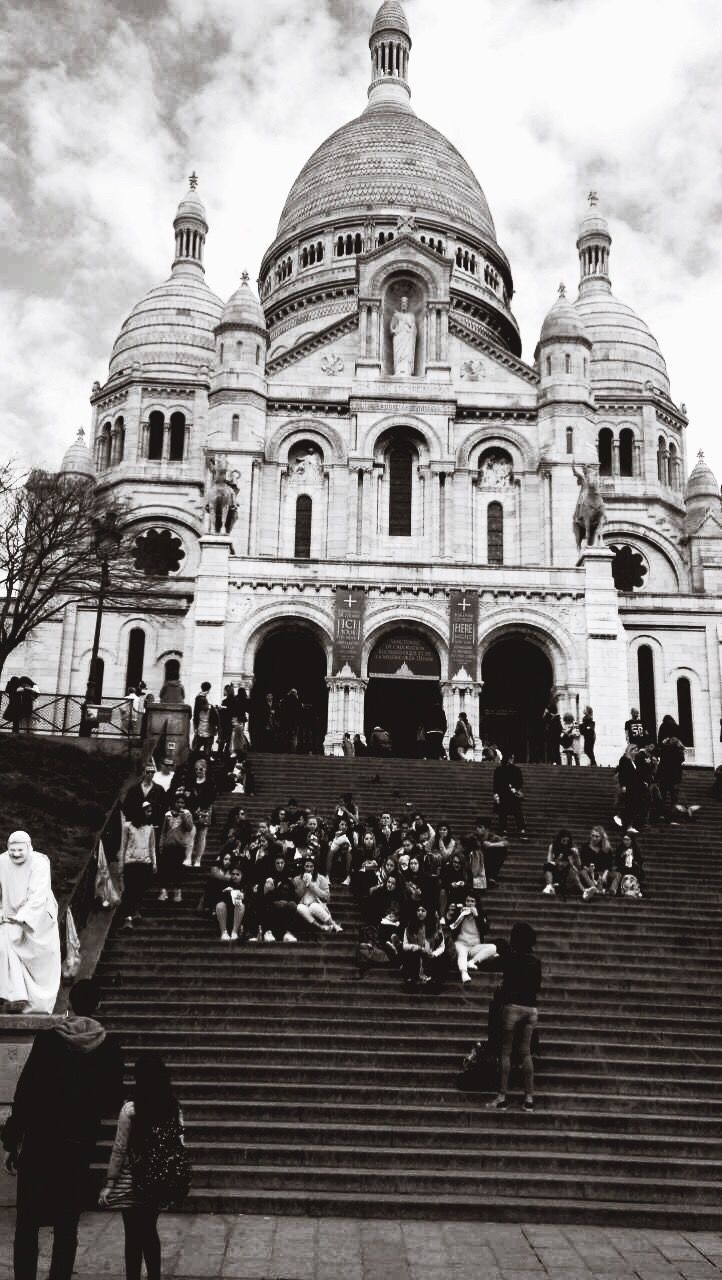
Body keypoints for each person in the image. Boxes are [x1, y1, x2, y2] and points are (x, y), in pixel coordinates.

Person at [2, 978, 124, 1280]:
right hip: (77, 1144)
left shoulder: (48, 1040)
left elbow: (26, 1092)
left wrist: (11, 1140)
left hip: (40, 1142)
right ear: (98, 1007)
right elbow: (113, 1098)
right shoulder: (109, 1047)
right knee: (67, 1224)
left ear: (69, 1005)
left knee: (28, 1223)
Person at [99, 1052, 187, 1280]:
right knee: (150, 1231)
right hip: (157, 1178)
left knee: (132, 1236)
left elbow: (119, 1148)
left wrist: (110, 1183)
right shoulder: (172, 1108)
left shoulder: (130, 1109)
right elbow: (179, 1144)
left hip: (131, 1179)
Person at [0, 831, 60, 1013]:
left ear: (28, 847)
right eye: (12, 850)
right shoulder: (1, 862)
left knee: (42, 963)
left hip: (38, 921)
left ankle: (36, 1003)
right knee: (5, 943)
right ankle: (15, 996)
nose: (16, 854)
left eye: (20, 850)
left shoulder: (39, 863)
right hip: (10, 916)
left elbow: (38, 896)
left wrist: (22, 920)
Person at [487, 922, 542, 1112]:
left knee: (506, 1052)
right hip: (531, 1009)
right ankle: (529, 1098)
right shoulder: (536, 962)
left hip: (512, 1007)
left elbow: (491, 964)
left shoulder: (510, 958)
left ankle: (502, 1097)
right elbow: (537, 987)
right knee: (526, 1053)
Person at [118, 802, 157, 931]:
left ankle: (135, 911)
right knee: (130, 890)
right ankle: (127, 918)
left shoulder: (150, 827)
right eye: (147, 811)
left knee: (140, 889)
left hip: (145, 863)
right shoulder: (127, 826)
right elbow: (123, 845)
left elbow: (152, 846)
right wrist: (121, 863)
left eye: (151, 811)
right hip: (131, 862)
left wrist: (154, 862)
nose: (149, 814)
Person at [448, 893, 497, 984]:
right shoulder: (460, 912)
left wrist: (477, 916)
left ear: (476, 903)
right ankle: (464, 973)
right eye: (468, 901)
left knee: (493, 947)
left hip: (474, 946)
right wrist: (460, 915)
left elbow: (485, 930)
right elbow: (451, 927)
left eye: (472, 901)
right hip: (461, 944)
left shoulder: (481, 914)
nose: (470, 903)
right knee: (462, 953)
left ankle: (472, 962)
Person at [157, 790, 194, 903]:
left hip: (180, 846)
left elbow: (189, 828)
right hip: (168, 846)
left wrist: (183, 817)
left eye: (182, 803)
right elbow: (163, 831)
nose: (180, 805)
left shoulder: (187, 814)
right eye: (178, 802)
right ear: (174, 803)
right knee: (165, 869)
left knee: (178, 870)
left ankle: (177, 891)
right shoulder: (167, 815)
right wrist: (161, 844)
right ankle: (164, 891)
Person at [293, 855, 343, 934]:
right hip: (304, 906)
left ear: (314, 867)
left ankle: (334, 924)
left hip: (318, 906)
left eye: (311, 866)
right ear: (303, 867)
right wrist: (304, 883)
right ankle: (320, 926)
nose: (309, 869)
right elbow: (296, 896)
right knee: (299, 907)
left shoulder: (321, 878)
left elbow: (326, 898)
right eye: (307, 866)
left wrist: (312, 885)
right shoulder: (296, 879)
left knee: (313, 906)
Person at [401, 905, 446, 987]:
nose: (420, 913)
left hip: (430, 955)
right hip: (417, 953)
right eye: (418, 910)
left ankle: (434, 980)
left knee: (441, 958)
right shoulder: (409, 927)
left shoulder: (435, 927)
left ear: (428, 912)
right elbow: (405, 946)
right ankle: (411, 978)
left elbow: (442, 947)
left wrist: (434, 954)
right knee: (410, 954)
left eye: (423, 910)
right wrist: (417, 947)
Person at [185, 755, 216, 867]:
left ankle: (198, 859)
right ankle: (188, 857)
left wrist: (201, 806)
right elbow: (187, 795)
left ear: (205, 769)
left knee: (202, 836)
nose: (198, 771)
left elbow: (211, 797)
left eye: (201, 769)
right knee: (191, 834)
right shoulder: (191, 781)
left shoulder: (210, 782)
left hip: (204, 810)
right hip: (192, 810)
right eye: (196, 769)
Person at [492, 753, 528, 839]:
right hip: (513, 794)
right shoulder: (516, 770)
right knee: (517, 813)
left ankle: (504, 830)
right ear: (510, 759)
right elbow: (520, 782)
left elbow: (496, 783)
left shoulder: (498, 770)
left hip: (503, 794)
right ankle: (522, 830)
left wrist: (496, 794)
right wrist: (515, 788)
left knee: (503, 813)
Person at [192, 681, 219, 754]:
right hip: (206, 727)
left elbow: (196, 713)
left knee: (197, 748)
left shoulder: (198, 697)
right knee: (206, 748)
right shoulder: (202, 698)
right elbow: (206, 708)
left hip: (201, 727)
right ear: (209, 689)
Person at [279, 687, 302, 753]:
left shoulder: (285, 700)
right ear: (295, 694)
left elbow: (281, 710)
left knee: (285, 736)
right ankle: (292, 751)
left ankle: (284, 750)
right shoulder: (297, 701)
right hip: (294, 722)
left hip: (285, 722)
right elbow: (299, 712)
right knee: (294, 737)